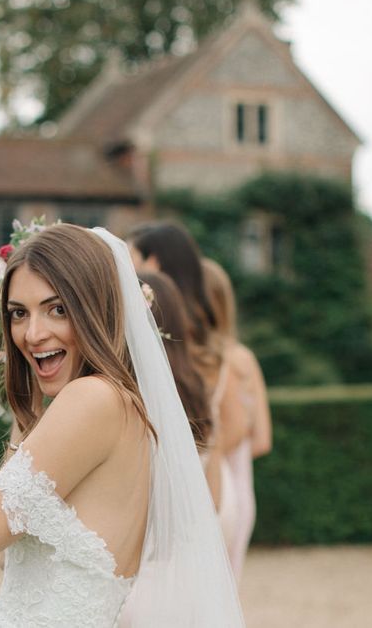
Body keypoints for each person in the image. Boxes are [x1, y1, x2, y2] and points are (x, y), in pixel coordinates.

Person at [0, 224, 244, 626]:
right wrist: (30, 406)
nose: (33, 334)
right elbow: (5, 556)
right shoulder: (121, 405)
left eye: (57, 309)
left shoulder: (93, 400)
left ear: (97, 310)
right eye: (19, 313)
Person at [128, 222, 250, 550]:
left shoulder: (171, 338)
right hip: (204, 483)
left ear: (152, 264)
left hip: (187, 492)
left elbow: (234, 426)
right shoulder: (204, 335)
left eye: (130, 257)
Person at [137, 269, 238, 545]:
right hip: (195, 536)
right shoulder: (198, 387)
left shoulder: (132, 393)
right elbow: (214, 498)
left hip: (145, 545)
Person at [201, 257, 273, 580]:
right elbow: (261, 440)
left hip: (218, 485)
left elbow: (241, 429)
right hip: (243, 485)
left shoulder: (220, 360)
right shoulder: (245, 356)